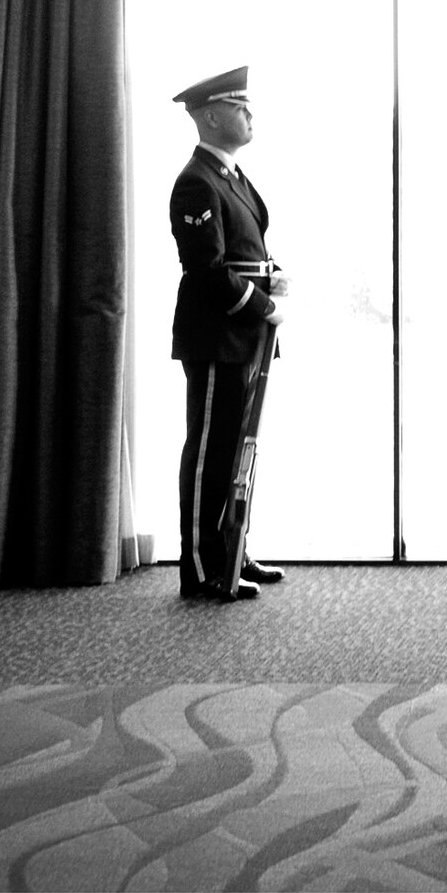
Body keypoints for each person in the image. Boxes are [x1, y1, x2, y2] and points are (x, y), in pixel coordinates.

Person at [169, 66, 289, 603]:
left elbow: (248, 251)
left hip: (244, 332)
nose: (250, 114)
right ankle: (200, 567)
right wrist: (262, 305)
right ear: (211, 116)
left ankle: (231, 548)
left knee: (238, 448)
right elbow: (208, 268)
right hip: (219, 332)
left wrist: (273, 276)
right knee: (211, 450)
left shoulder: (232, 177)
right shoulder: (196, 181)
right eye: (240, 106)